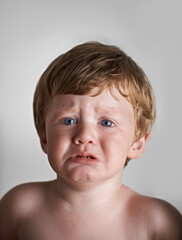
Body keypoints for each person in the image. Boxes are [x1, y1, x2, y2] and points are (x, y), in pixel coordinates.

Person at [0, 42, 181, 239]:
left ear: (137, 143)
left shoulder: (157, 222)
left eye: (106, 122)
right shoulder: (19, 207)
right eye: (69, 120)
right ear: (44, 137)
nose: (84, 136)